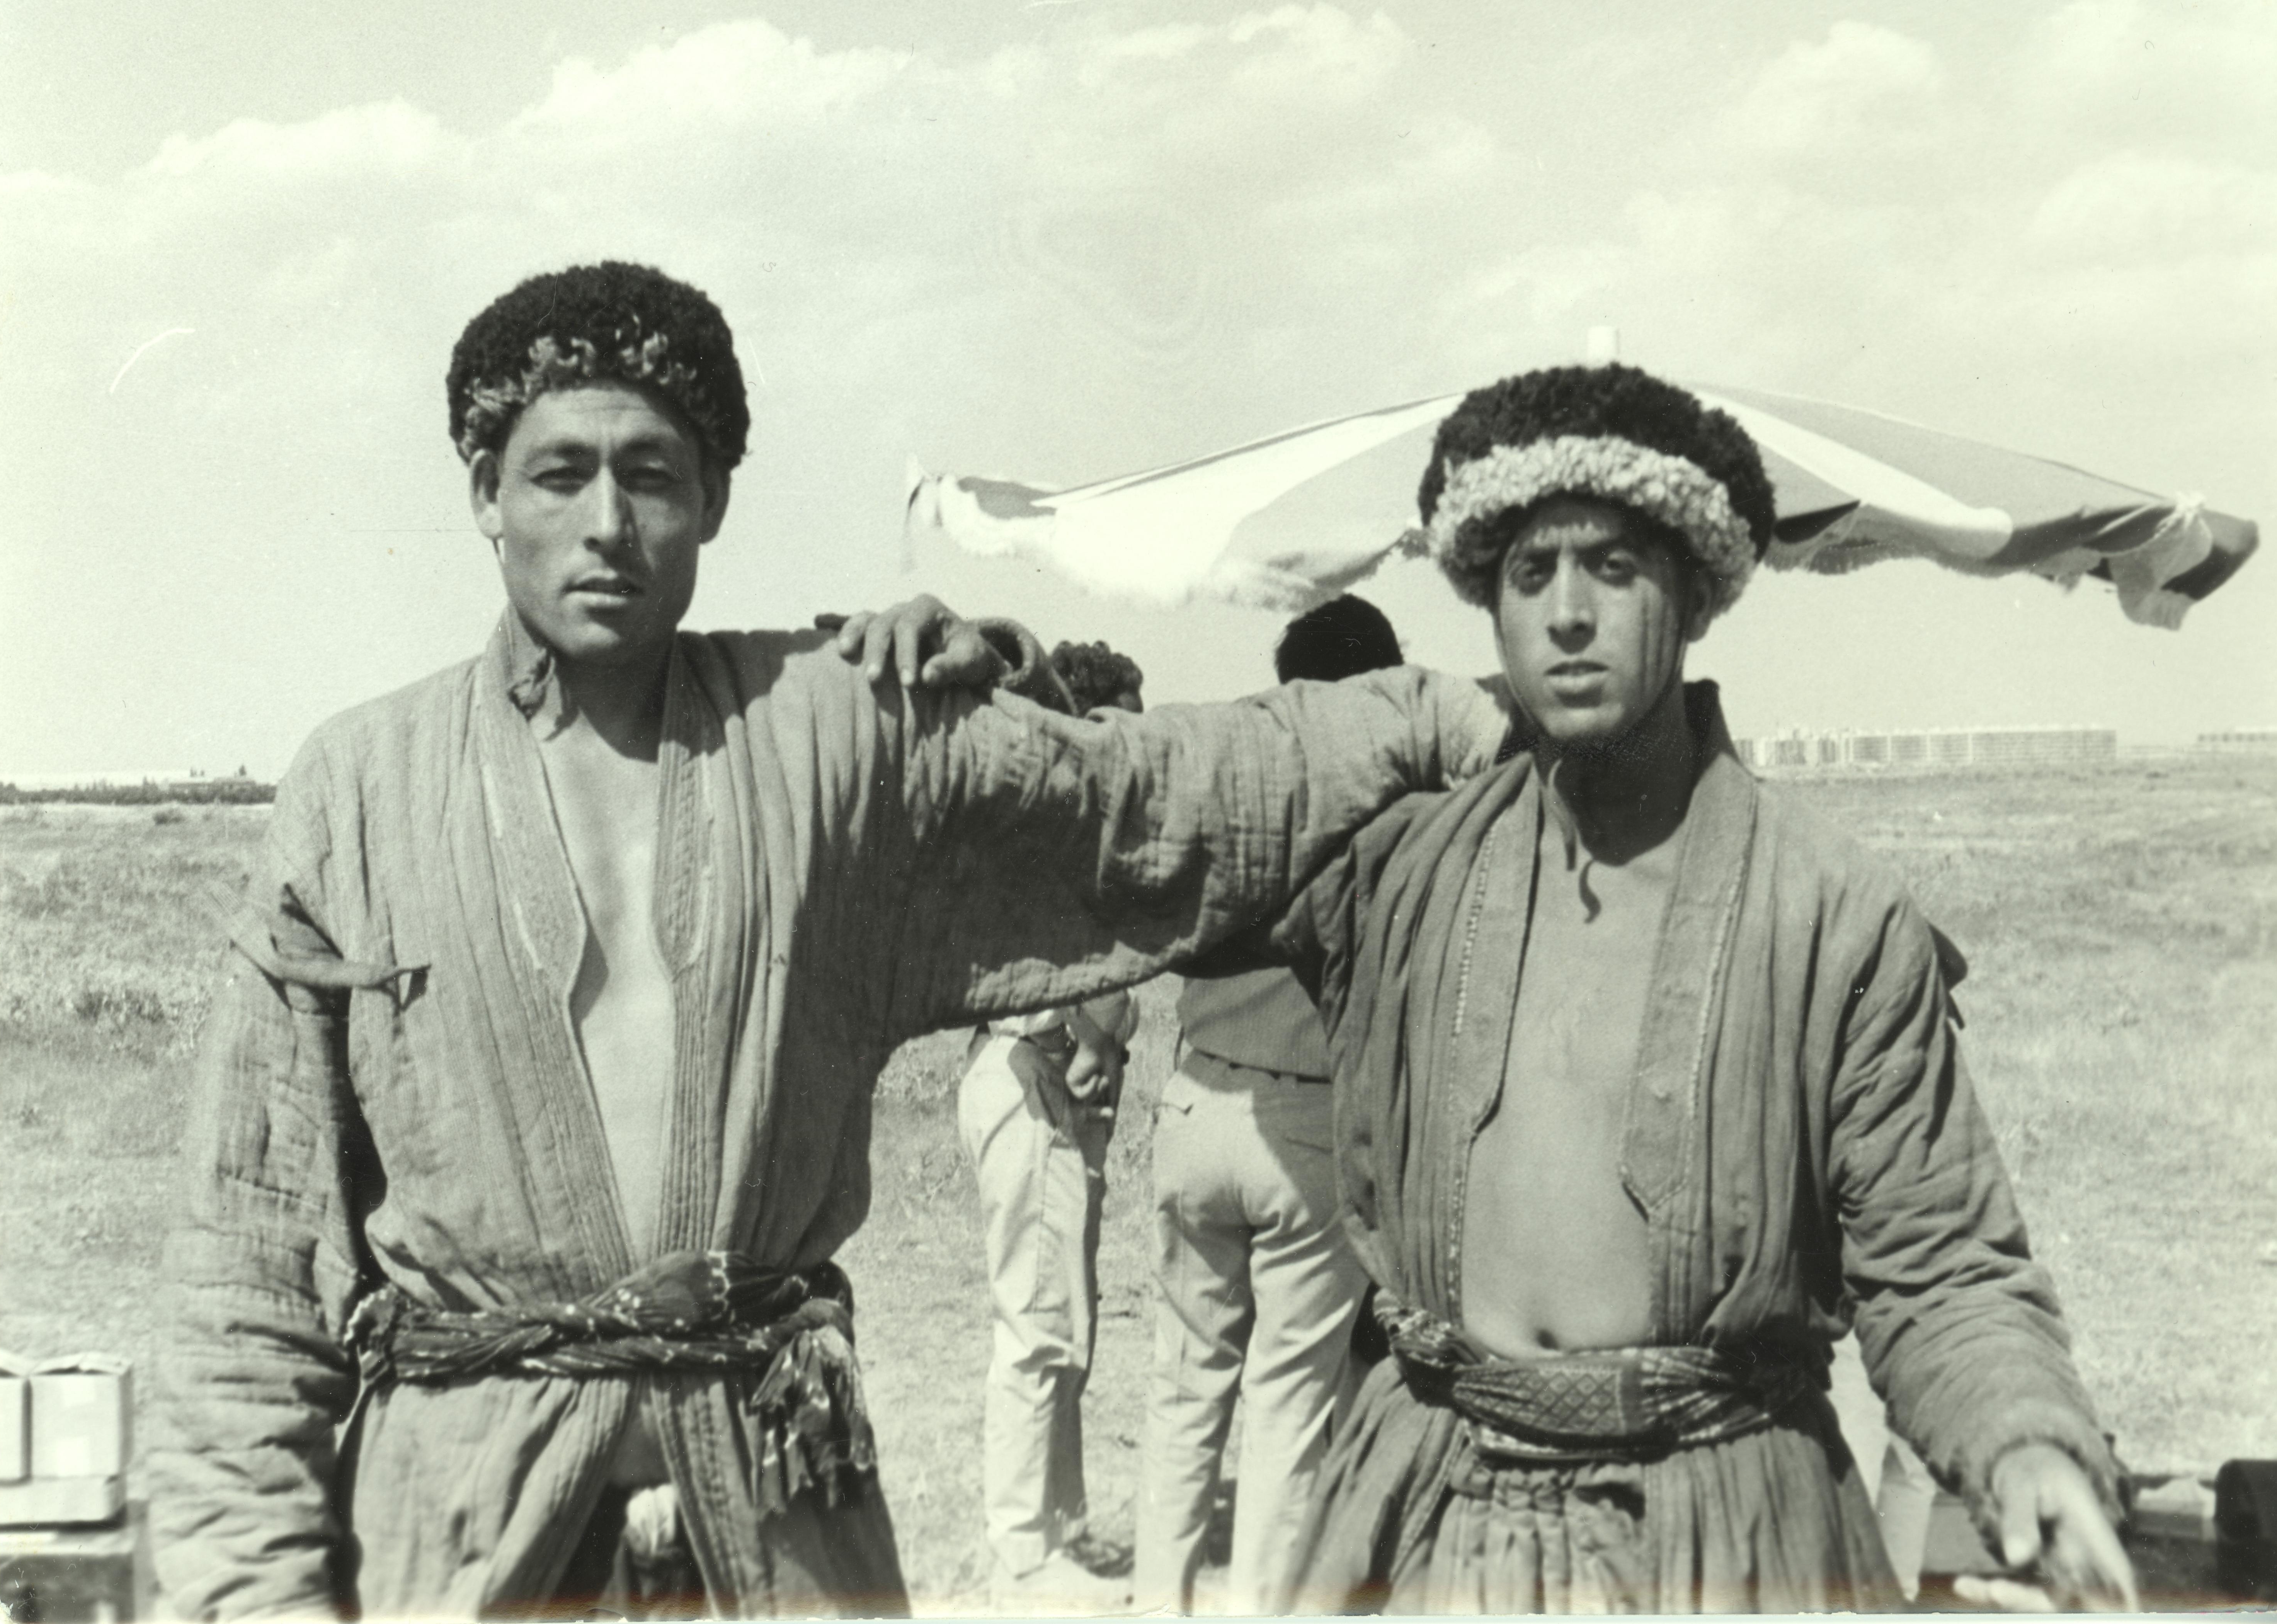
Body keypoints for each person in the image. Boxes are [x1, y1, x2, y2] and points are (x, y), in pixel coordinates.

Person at [152, 258, 1506, 1618]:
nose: (607, 524)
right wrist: (251, 1598)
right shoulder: (358, 790)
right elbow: (246, 1271)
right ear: (484, 496)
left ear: (716, 499)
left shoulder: (827, 725)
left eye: (654, 475)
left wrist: (1428, 715)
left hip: (777, 1510)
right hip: (457, 1531)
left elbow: (1151, 797)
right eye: (559, 474)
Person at [849, 364, 2137, 1612]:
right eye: (1531, 574)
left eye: (1613, 568)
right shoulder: (1401, 869)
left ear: (1689, 595)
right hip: (1431, 1520)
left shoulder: (1830, 914)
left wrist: (2025, 1445)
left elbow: (1943, 1269)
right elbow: (1148, 825)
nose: (1567, 613)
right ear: (1491, 606)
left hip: (1724, 1531)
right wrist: (1003, 689)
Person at [1132, 597, 1404, 1614]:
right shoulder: (1381, 816)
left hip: (1194, 1101)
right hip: (1302, 1123)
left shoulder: (1231, 799)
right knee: (1289, 1406)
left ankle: (1160, 1601)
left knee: (1181, 1385)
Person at [956, 641, 1147, 1610]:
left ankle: (1057, 1525)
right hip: (1028, 1073)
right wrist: (1086, 1024)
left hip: (1062, 1088)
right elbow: (1019, 982)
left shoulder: (1083, 836)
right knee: (1035, 1322)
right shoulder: (1034, 829)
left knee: (1067, 1316)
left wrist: (1102, 1026)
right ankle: (1020, 1549)